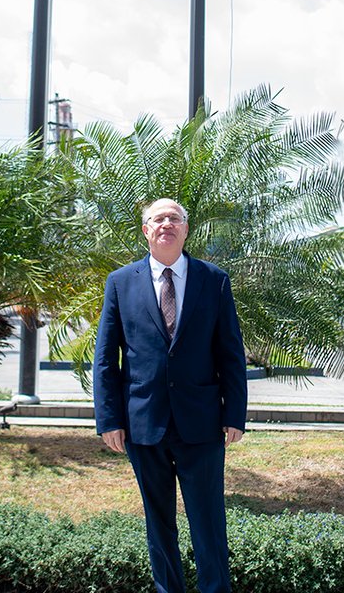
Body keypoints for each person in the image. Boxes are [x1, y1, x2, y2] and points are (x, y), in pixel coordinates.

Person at [93, 197, 248, 593]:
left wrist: (235, 414)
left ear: (186, 229)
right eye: (158, 219)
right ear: (145, 230)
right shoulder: (120, 282)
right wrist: (109, 419)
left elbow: (230, 351)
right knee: (158, 521)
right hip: (143, 424)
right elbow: (106, 358)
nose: (166, 224)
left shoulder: (213, 280)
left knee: (208, 520)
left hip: (202, 423)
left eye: (174, 219)